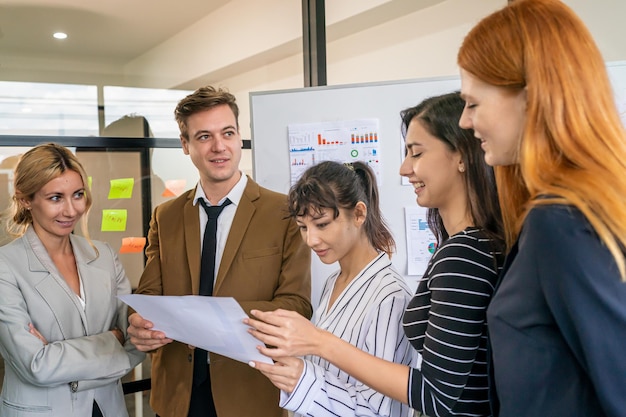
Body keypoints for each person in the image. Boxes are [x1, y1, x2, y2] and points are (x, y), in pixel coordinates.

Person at [246, 92, 504, 417]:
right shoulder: (333, 284)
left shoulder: (451, 261)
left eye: (417, 152)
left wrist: (314, 352)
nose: (404, 167)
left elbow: (426, 397)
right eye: (303, 227)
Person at [456, 1, 626, 416]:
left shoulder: (561, 222)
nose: (464, 121)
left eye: (473, 103)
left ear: (531, 100)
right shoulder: (571, 211)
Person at [126, 86, 312, 417]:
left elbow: (295, 305)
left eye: (227, 132)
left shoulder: (284, 212)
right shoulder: (164, 216)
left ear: (239, 136)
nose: (219, 146)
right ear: (185, 145)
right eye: (203, 136)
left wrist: (209, 323)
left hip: (249, 392)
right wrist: (138, 322)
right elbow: (150, 293)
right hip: (176, 395)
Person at [253, 160, 416, 417]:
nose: (311, 240)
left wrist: (303, 381)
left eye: (322, 224)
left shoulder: (390, 297)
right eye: (303, 227)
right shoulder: (333, 282)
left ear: (359, 214)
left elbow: (379, 411)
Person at [0, 143, 144, 417]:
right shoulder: (5, 266)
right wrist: (112, 340)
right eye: (55, 198)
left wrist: (59, 354)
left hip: (108, 408)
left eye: (77, 194)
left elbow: (134, 347)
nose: (71, 210)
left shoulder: (103, 255)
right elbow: (36, 365)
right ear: (25, 200)